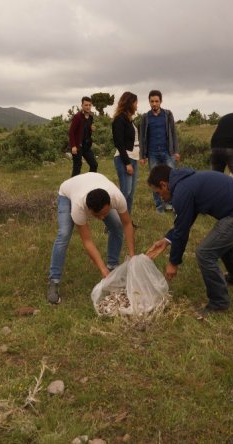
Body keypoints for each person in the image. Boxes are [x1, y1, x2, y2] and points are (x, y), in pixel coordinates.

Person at [146, 165, 233, 317]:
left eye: (158, 192)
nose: (160, 197)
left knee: (205, 252)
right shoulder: (186, 182)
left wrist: (173, 263)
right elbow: (183, 221)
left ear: (164, 184)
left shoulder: (182, 190)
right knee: (220, 241)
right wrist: (167, 239)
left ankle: (219, 303)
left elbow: (182, 232)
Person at [46, 172, 135, 304]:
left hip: (95, 181)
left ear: (109, 204)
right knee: (64, 234)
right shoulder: (79, 207)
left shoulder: (117, 198)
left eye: (105, 213)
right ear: (90, 210)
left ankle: (112, 267)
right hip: (67, 192)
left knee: (116, 225)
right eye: (98, 215)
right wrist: (102, 269)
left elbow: (127, 224)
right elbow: (87, 241)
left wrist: (132, 255)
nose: (103, 218)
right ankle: (54, 281)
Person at [139, 90, 180, 213]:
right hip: (152, 154)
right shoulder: (145, 117)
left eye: (157, 101)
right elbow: (142, 137)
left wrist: (176, 151)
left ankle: (171, 204)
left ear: (161, 101)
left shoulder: (167, 114)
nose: (154, 104)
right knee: (155, 180)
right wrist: (143, 155)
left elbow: (173, 133)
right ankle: (159, 206)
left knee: (172, 178)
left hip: (168, 152)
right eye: (152, 101)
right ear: (149, 102)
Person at [112, 92, 140, 216]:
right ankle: (112, 223)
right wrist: (127, 163)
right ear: (130, 103)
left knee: (130, 194)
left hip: (134, 158)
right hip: (125, 159)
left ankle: (127, 222)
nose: (137, 105)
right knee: (124, 192)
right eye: (135, 103)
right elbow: (119, 143)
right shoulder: (119, 119)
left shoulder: (129, 120)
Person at [69, 96, 98, 177]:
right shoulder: (77, 117)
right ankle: (73, 187)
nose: (88, 107)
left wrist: (91, 129)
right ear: (82, 105)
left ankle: (89, 183)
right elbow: (71, 132)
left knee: (94, 164)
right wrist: (73, 146)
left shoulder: (91, 117)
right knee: (77, 167)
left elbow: (85, 130)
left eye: (89, 105)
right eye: (86, 105)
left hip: (86, 146)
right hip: (77, 146)